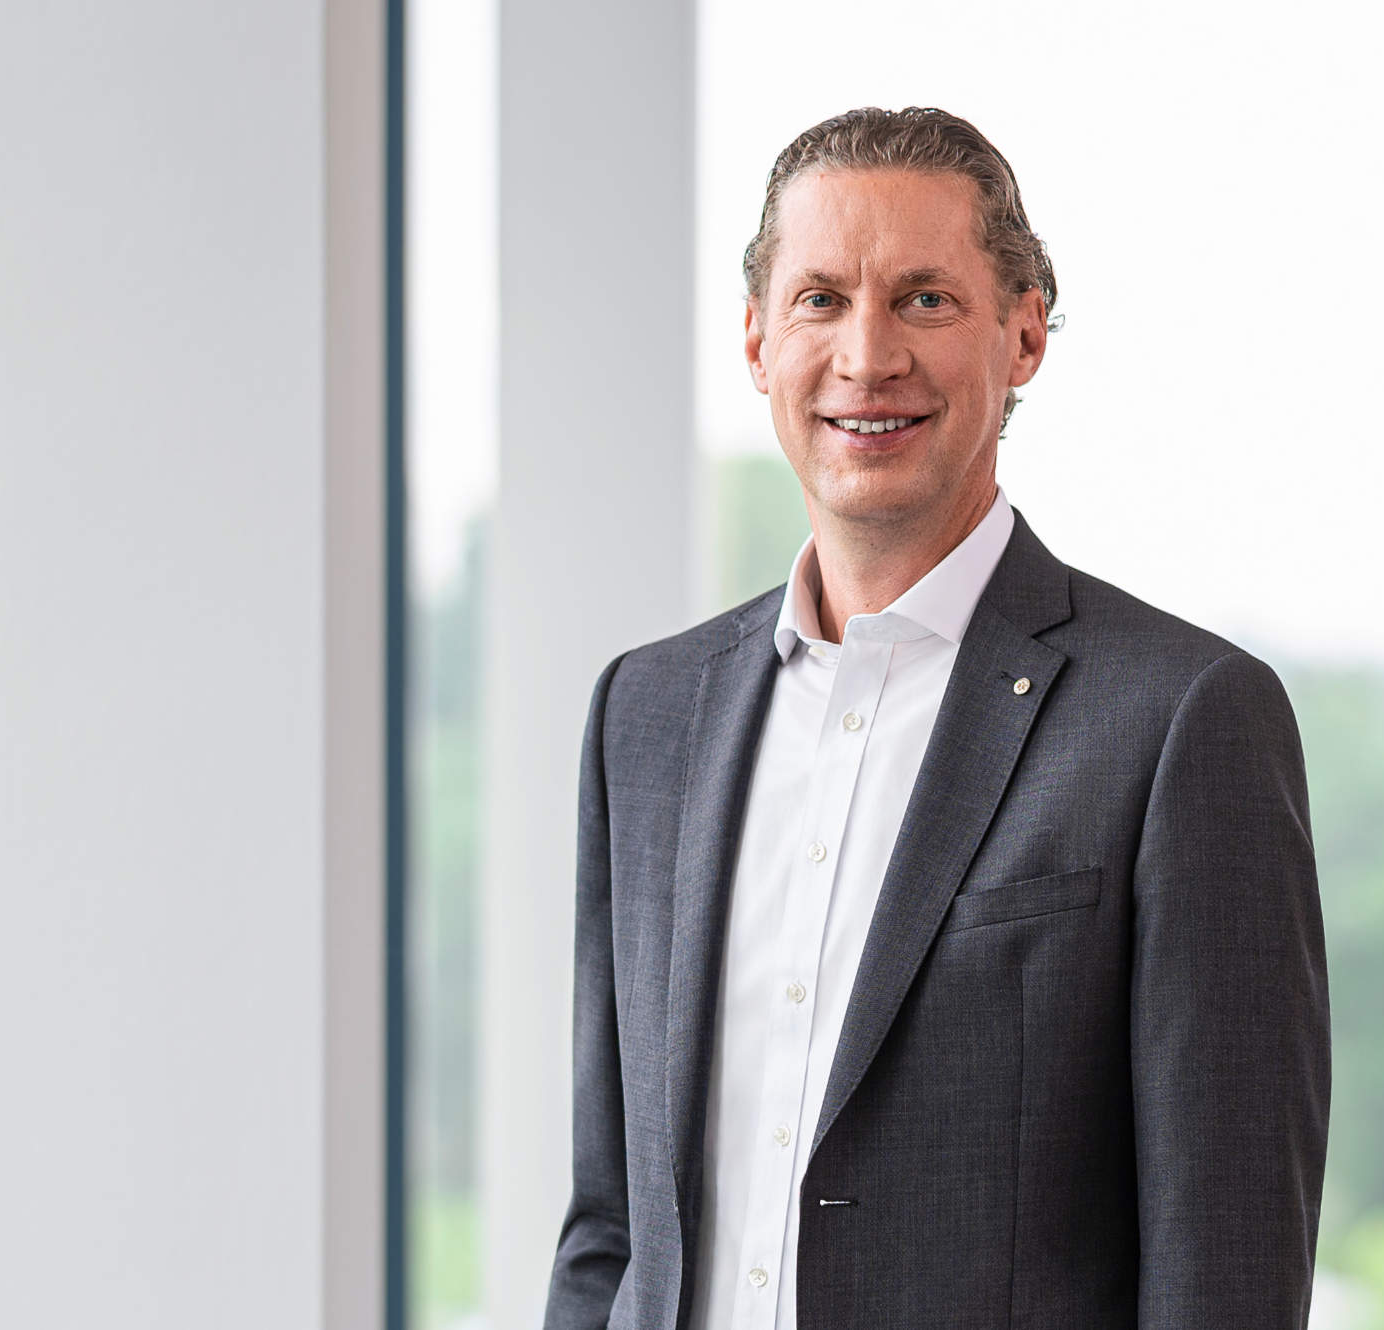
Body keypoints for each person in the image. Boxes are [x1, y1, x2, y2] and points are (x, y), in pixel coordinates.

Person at [542, 106, 1330, 1329]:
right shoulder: (644, 715)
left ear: (1023, 335)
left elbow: (1223, 1267)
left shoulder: (1181, 721)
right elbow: (611, 1227)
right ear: (756, 340)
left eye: (923, 299)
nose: (867, 356)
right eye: (819, 300)